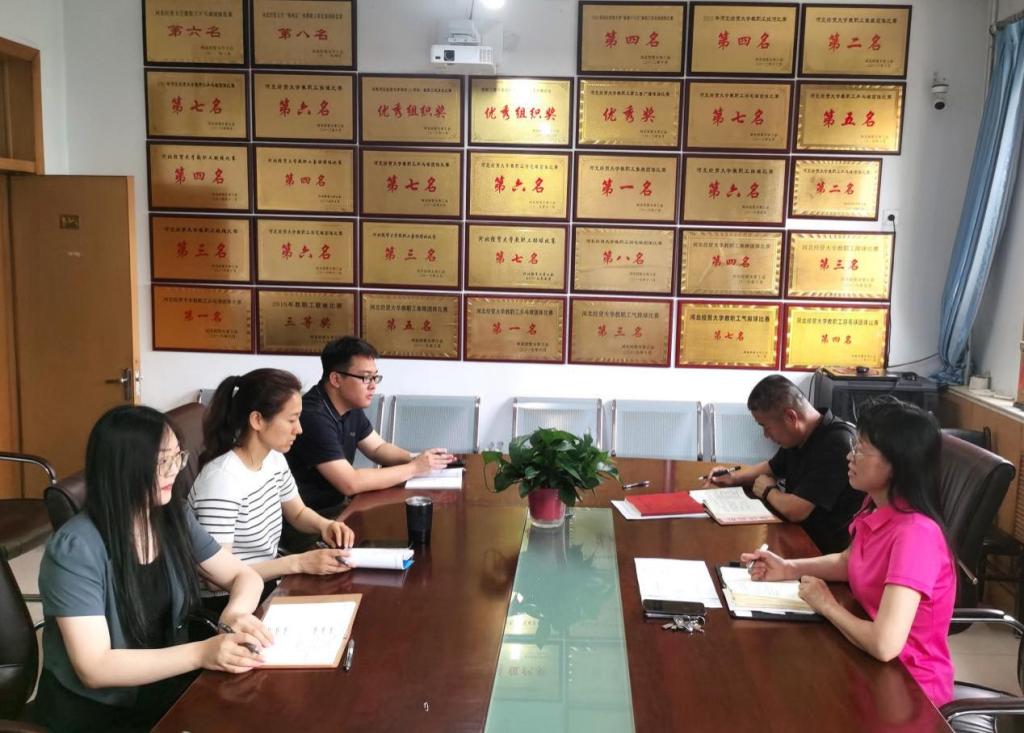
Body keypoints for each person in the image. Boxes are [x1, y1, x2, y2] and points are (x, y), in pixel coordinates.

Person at [36, 405, 272, 733]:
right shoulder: (75, 549)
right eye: (162, 461)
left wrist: (234, 614)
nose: (174, 471)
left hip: (165, 690)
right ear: (122, 467)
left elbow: (243, 576)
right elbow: (95, 667)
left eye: (177, 457)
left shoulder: (171, 516)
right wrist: (201, 653)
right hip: (98, 714)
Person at [741, 398, 955, 707]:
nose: (849, 456)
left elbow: (885, 644)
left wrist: (827, 605)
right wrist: (788, 568)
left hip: (910, 691)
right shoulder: (876, 506)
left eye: (861, 450)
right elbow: (849, 560)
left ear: (897, 464)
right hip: (865, 660)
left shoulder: (916, 536)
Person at [189, 368, 356, 612]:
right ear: (257, 420)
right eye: (291, 420)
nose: (299, 429)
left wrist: (325, 525)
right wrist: (297, 563)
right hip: (228, 602)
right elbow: (216, 581)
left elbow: (297, 513)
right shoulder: (222, 480)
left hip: (265, 583)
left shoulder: (273, 459)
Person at [286, 336, 454, 518]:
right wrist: (414, 468)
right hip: (312, 518)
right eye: (366, 378)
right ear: (336, 379)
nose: (373, 386)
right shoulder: (313, 416)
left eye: (375, 377)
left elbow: (378, 448)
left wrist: (416, 458)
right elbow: (350, 482)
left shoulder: (349, 406)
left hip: (339, 508)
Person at [705, 374, 862, 553]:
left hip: (821, 550)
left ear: (791, 417)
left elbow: (796, 511)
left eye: (766, 427)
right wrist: (733, 478)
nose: (765, 435)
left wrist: (768, 491)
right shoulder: (802, 434)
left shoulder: (837, 443)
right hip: (797, 535)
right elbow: (771, 467)